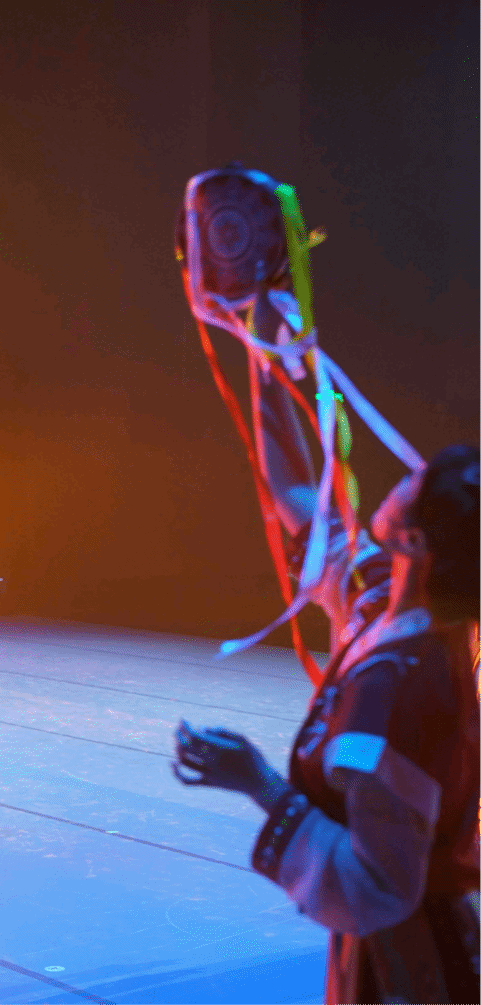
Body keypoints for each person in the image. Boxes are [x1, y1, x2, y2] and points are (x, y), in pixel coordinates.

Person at [173, 293, 481, 1002]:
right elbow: (295, 492)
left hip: (411, 966)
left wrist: (257, 780)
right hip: (386, 947)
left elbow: (379, 887)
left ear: (415, 540)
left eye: (414, 481)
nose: (401, 474)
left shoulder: (403, 685)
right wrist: (261, 348)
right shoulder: (381, 601)